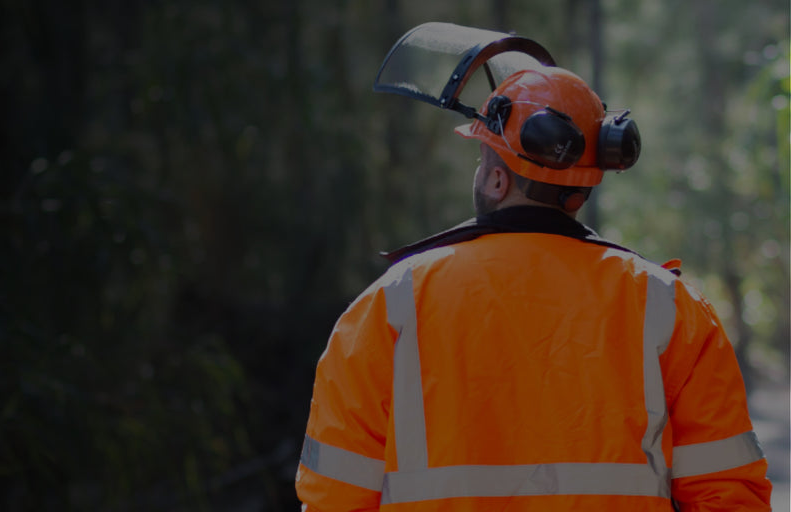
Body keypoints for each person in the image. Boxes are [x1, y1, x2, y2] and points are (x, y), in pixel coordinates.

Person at [295, 65, 772, 510]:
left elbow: (335, 497)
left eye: (482, 162)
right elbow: (727, 494)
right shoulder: (670, 307)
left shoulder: (390, 304)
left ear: (497, 180)